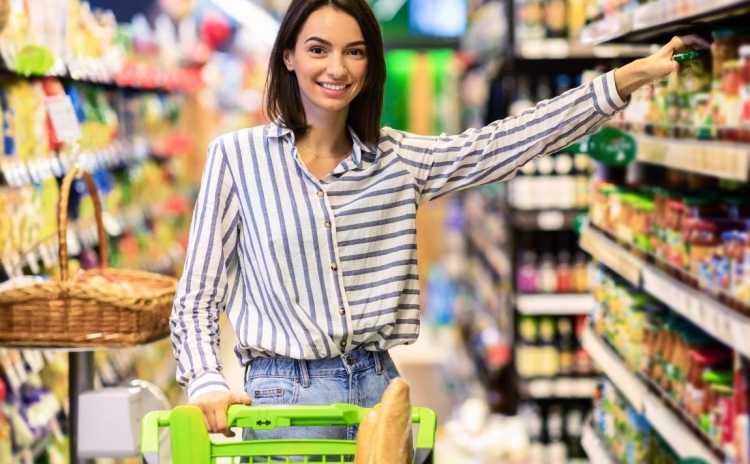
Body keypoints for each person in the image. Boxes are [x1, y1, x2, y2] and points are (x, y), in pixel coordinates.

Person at [171, 0, 708, 443]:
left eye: (354, 52)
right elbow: (197, 295)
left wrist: (626, 79)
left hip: (381, 389)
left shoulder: (398, 160)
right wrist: (204, 381)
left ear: (370, 65)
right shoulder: (236, 159)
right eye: (318, 49)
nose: (337, 68)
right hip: (282, 400)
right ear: (287, 56)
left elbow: (505, 142)